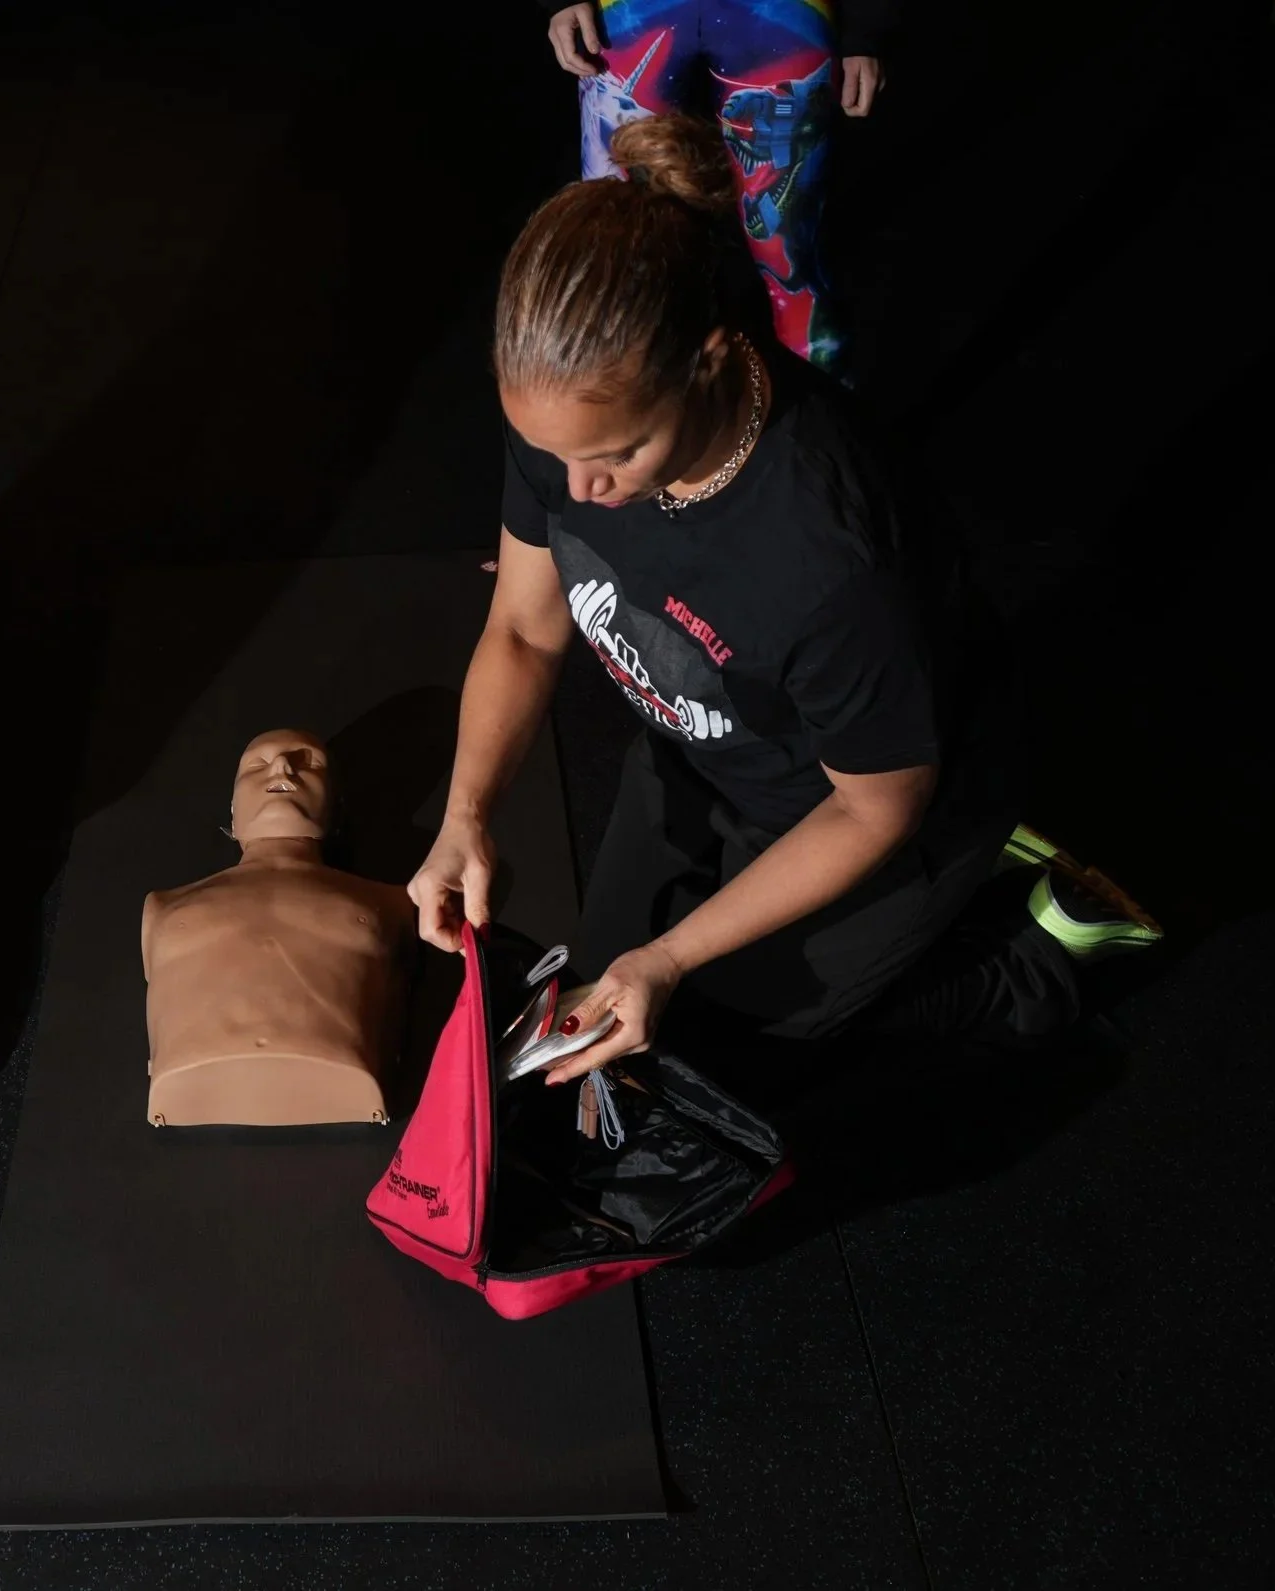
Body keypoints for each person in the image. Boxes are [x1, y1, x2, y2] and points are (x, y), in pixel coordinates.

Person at [407, 114, 1159, 1085]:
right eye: (554, 456)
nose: (574, 489)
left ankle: (1040, 949)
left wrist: (671, 958)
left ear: (713, 364)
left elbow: (872, 810)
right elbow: (520, 624)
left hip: (873, 799)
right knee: (600, 1006)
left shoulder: (835, 558)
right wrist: (467, 815)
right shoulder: (569, 424)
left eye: (613, 458)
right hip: (708, 746)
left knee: (735, 1057)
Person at [542, 0, 897, 375]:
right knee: (618, 253)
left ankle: (822, 424)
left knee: (794, 265)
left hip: (781, 12)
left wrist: (865, 30)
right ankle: (634, 415)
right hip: (624, 16)